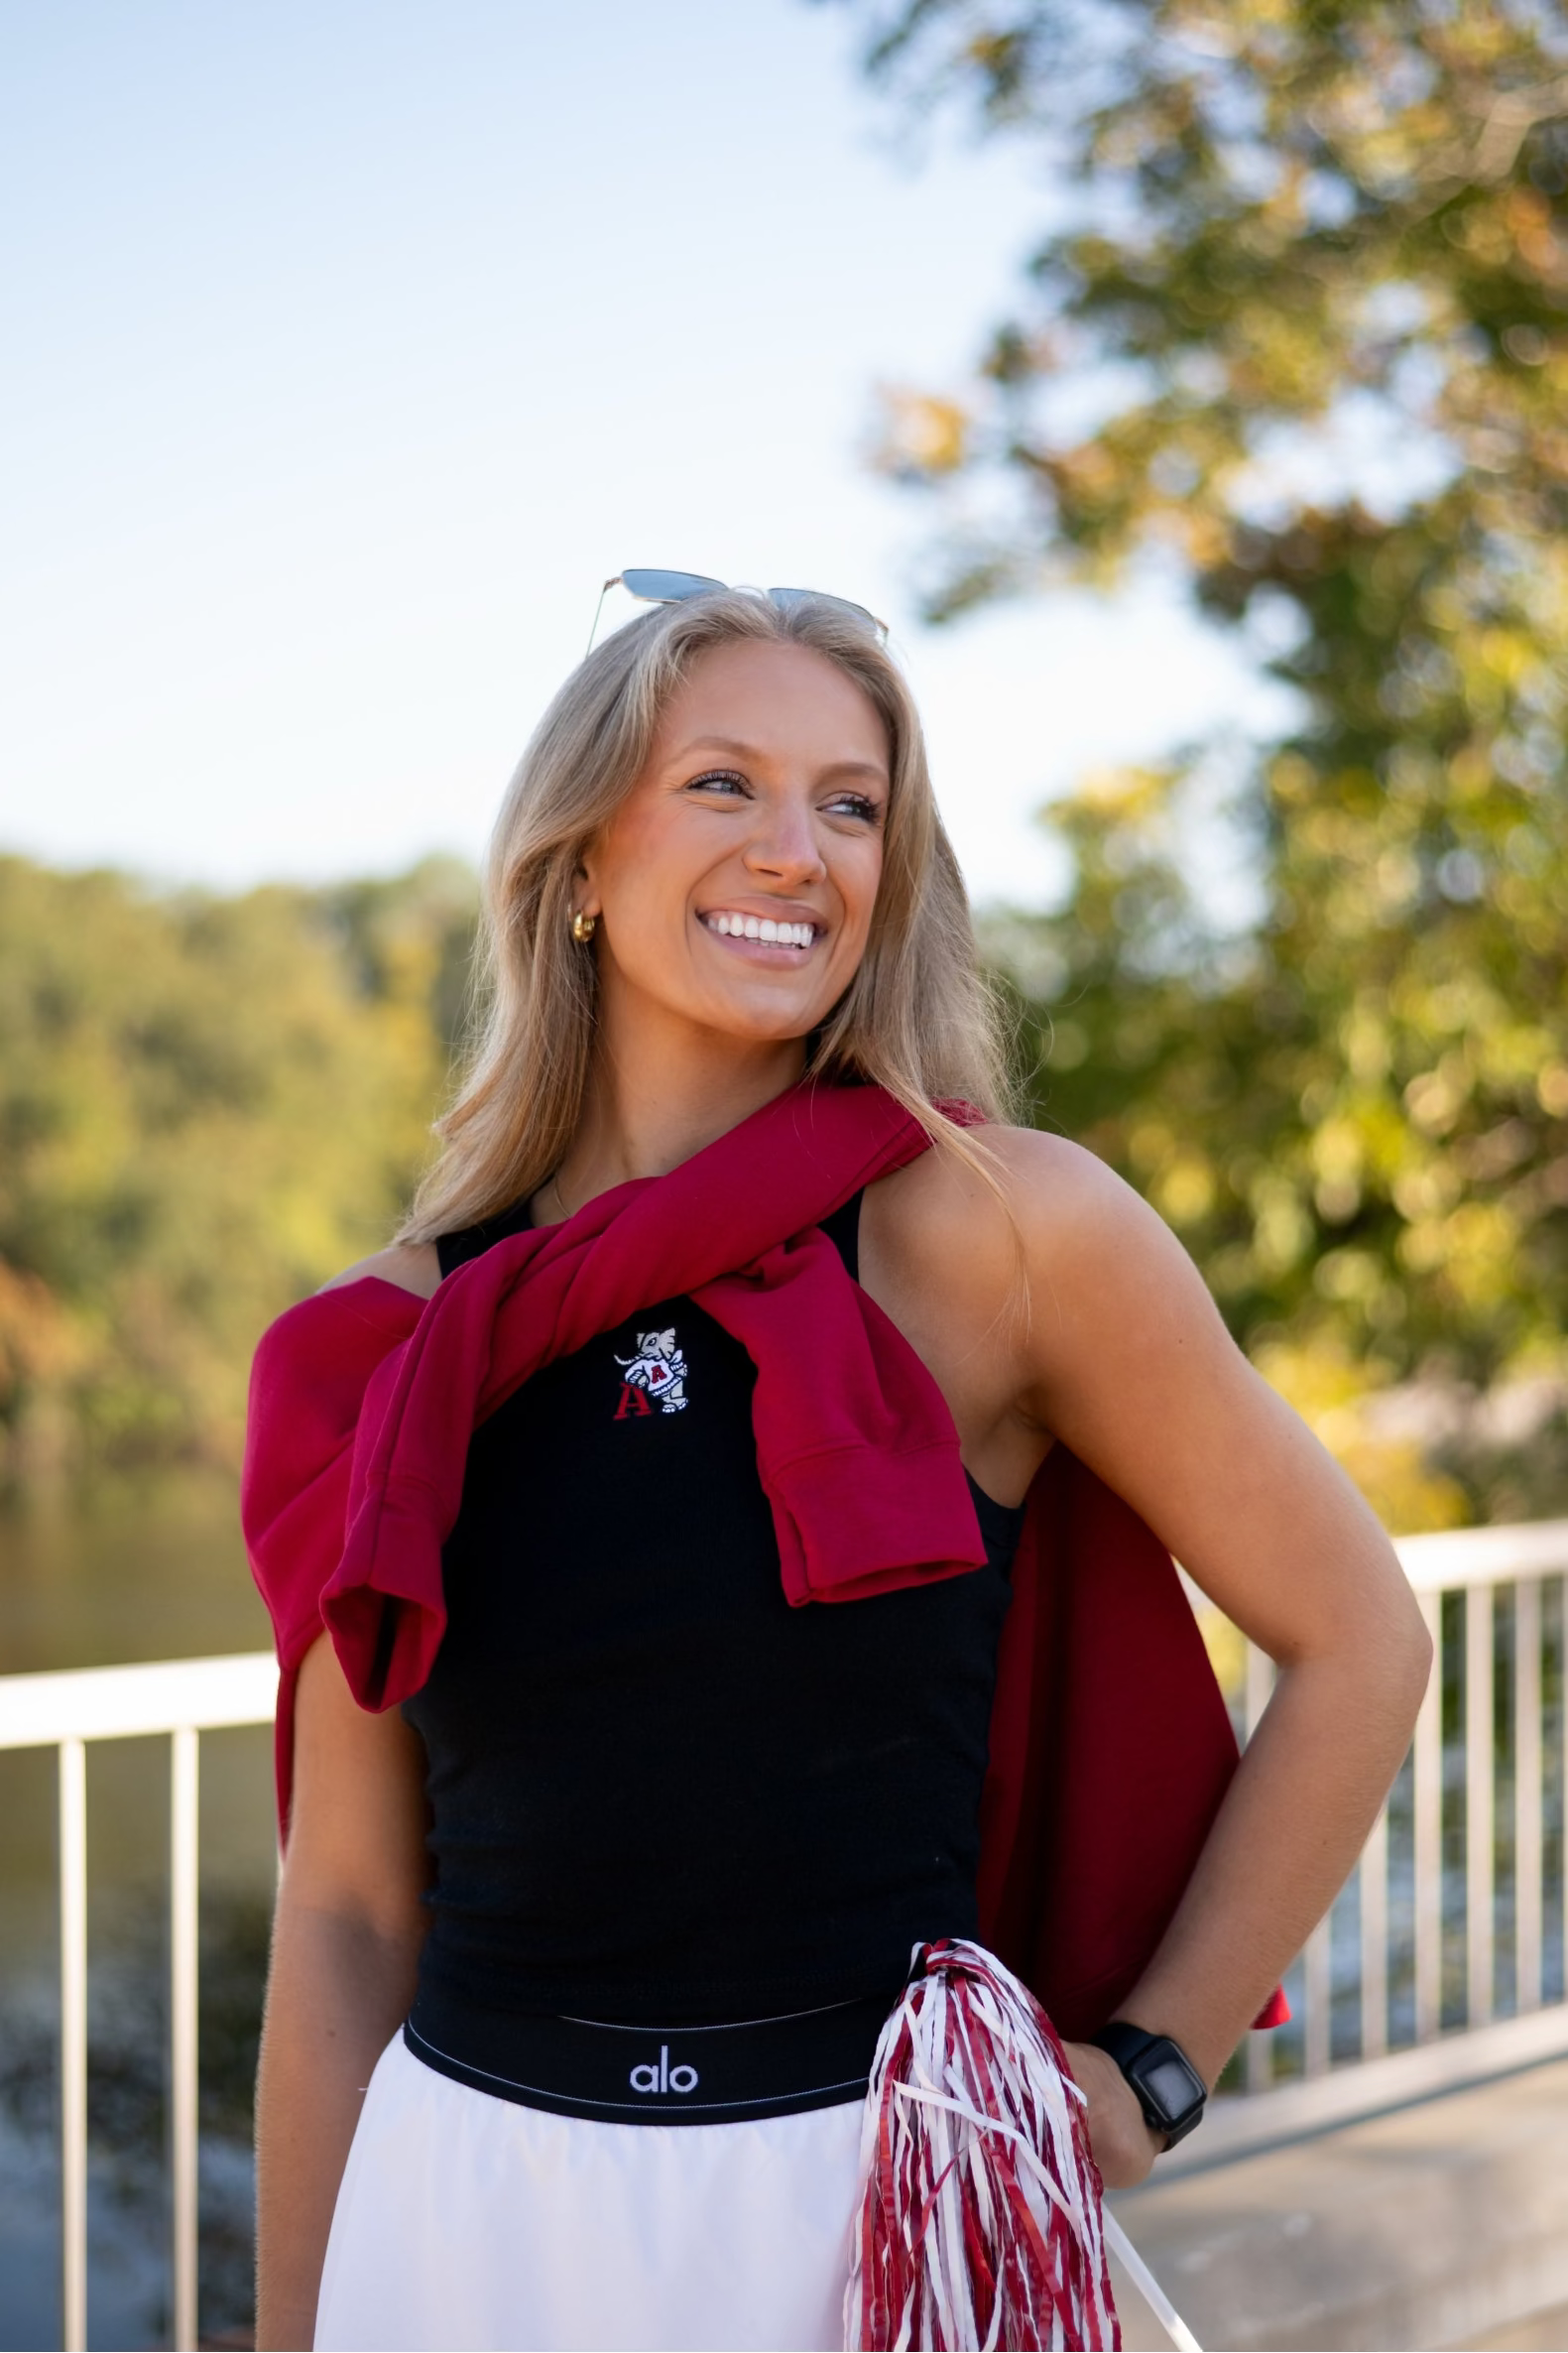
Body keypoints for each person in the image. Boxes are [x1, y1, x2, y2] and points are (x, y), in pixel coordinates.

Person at [244, 579, 1430, 2353]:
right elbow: (344, 1914)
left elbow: (1362, 1640)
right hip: (470, 2208)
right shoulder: (386, 1346)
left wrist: (1153, 2071)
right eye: (722, 783)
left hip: (877, 2209)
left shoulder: (1009, 1236)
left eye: (853, 802)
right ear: (577, 862)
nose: (797, 850)